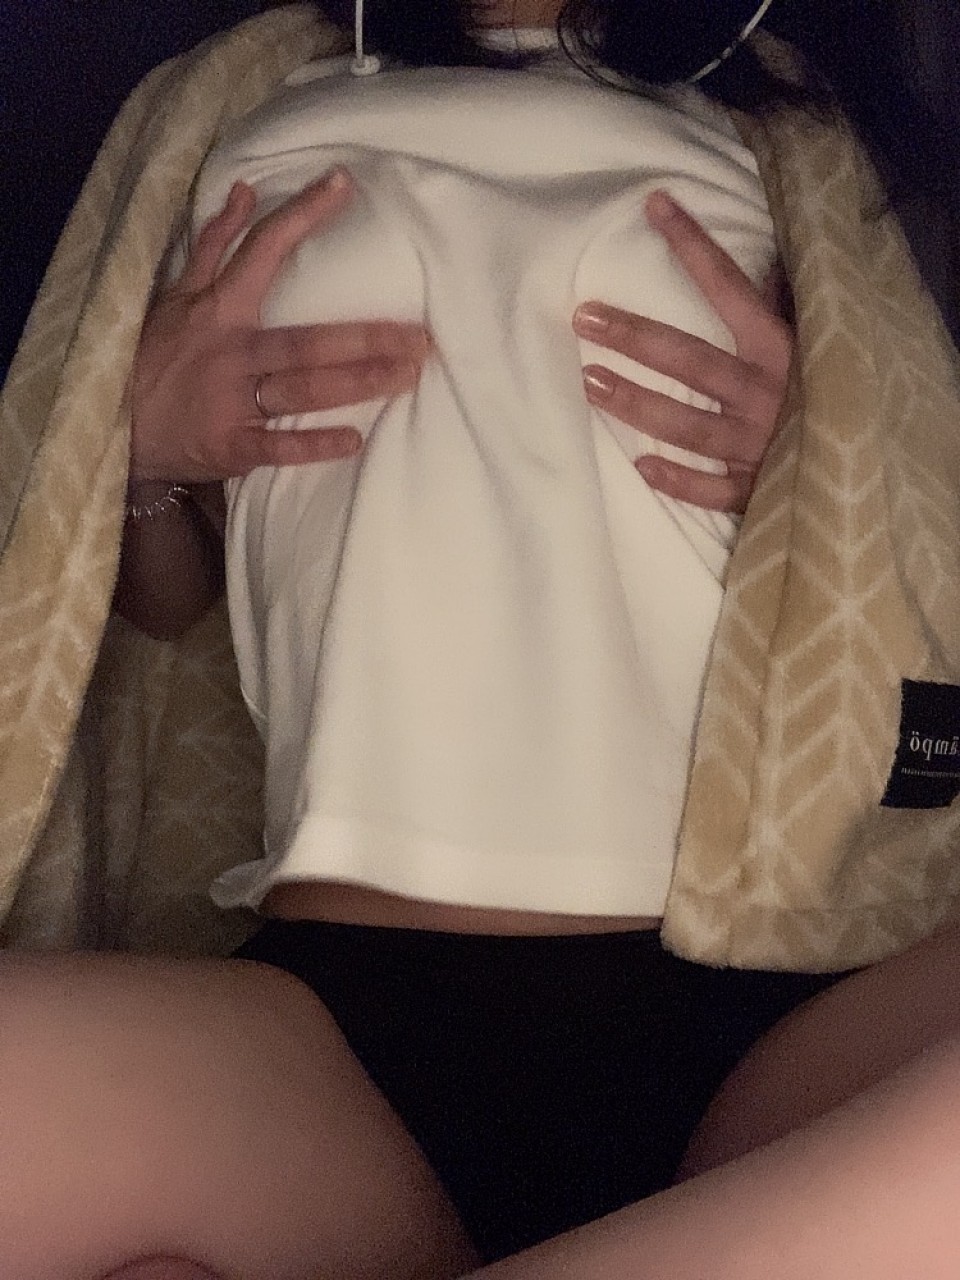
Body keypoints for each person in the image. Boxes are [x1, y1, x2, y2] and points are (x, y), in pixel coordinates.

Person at [0, 0, 953, 1277]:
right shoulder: (239, 103)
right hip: (331, 1046)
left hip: (765, 997)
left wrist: (831, 466)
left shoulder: (783, 126)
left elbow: (916, 554)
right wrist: (134, 454)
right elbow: (161, 615)